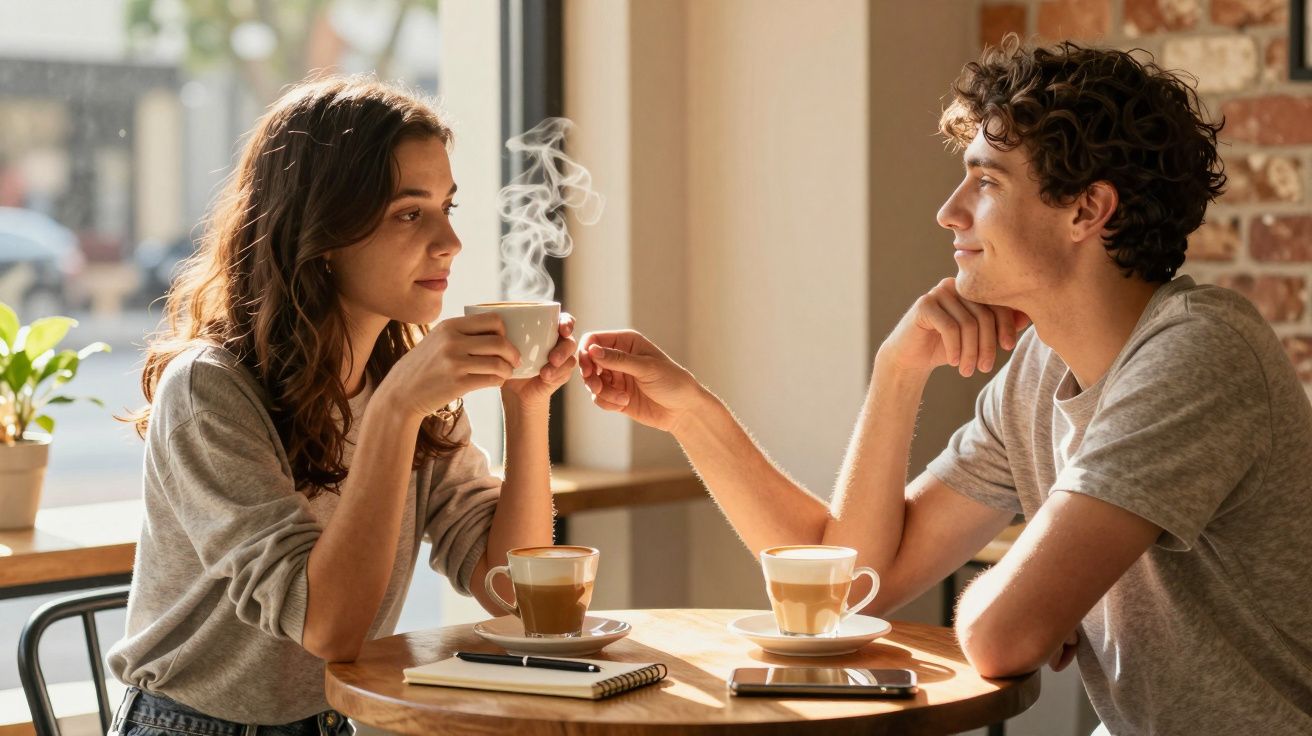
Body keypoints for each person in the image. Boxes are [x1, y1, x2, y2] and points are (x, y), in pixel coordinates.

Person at [578, 36, 1312, 734]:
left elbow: (1002, 636)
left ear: (1088, 210)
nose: (950, 210)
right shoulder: (1041, 369)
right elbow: (854, 587)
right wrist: (888, 375)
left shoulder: (1198, 355)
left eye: (986, 180)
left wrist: (1032, 602)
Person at [106, 76, 576, 734]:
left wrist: (527, 411)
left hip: (332, 719)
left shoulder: (408, 383)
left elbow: (509, 593)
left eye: (448, 206)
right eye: (410, 213)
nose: (451, 241)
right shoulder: (209, 389)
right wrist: (394, 411)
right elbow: (326, 626)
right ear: (322, 231)